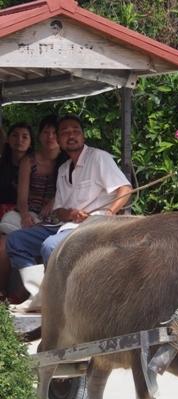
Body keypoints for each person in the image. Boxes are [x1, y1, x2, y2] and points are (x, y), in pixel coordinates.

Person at [6, 114, 132, 311]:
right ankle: (41, 296)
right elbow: (59, 211)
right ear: (58, 138)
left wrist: (108, 212)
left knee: (51, 247)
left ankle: (64, 306)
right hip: (65, 226)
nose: (71, 135)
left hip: (94, 226)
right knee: (16, 240)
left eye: (75, 131)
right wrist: (70, 213)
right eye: (65, 132)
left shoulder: (98, 157)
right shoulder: (64, 168)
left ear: (83, 136)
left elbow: (125, 189)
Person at [0, 122, 34, 299]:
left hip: (20, 218)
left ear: (31, 141)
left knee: (5, 243)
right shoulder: (2, 164)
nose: (19, 140)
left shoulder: (36, 166)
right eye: (15, 135)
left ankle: (3, 291)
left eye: (25, 136)